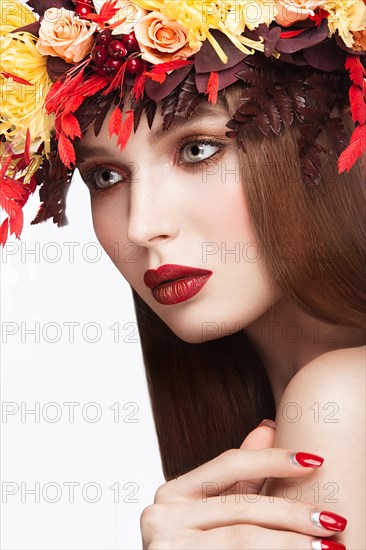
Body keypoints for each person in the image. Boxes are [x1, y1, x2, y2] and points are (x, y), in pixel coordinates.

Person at [1, 0, 365, 548]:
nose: (143, 226)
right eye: (105, 177)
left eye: (197, 149)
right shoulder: (267, 424)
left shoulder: (343, 397)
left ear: (323, 136)